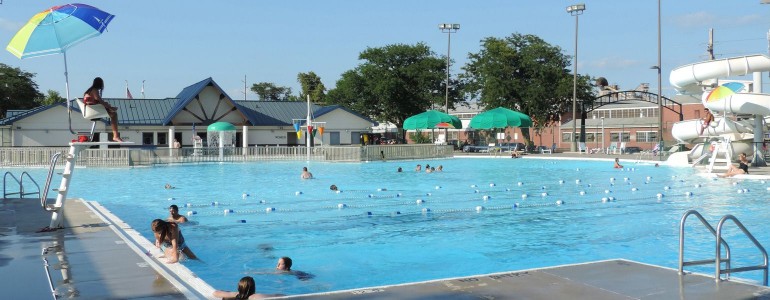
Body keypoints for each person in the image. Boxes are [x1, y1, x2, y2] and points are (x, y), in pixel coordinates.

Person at [83, 77, 123, 142]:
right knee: (114, 114)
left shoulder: (89, 91)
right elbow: (101, 101)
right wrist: (110, 108)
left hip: (90, 111)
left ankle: (116, 136)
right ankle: (116, 136)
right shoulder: (95, 91)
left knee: (109, 107)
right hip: (94, 111)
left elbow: (97, 102)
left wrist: (108, 106)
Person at [212, 276, 283, 300]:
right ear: (253, 287)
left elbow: (215, 293)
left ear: (239, 287)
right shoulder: (254, 296)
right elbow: (276, 296)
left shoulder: (237, 295)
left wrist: (237, 293)